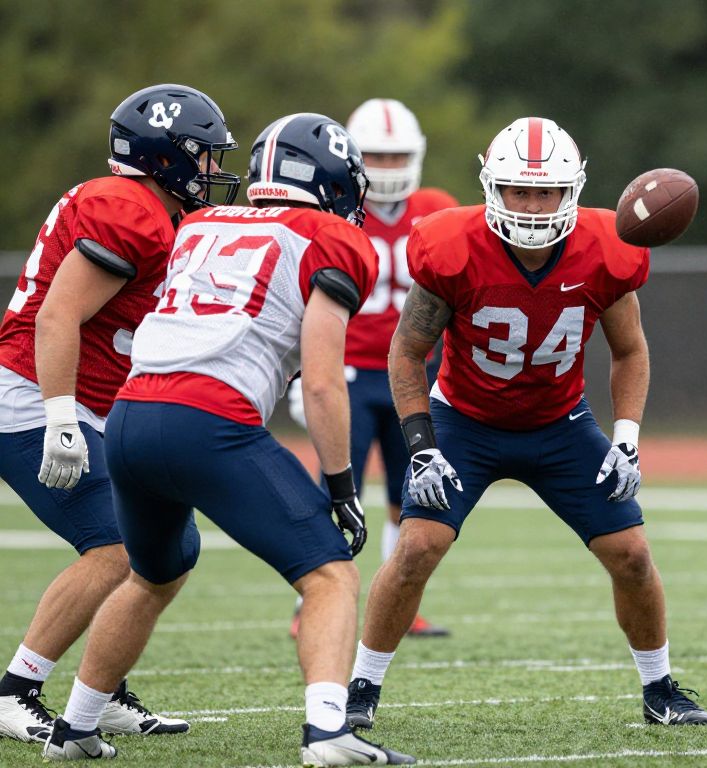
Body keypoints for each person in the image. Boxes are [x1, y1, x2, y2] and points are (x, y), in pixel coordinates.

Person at [41, 113, 416, 765]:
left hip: (129, 417)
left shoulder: (198, 224)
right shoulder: (334, 238)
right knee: (330, 574)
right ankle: (328, 732)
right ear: (329, 180)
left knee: (151, 578)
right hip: (210, 420)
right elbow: (325, 383)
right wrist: (341, 486)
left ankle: (74, 728)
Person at [345, 116, 707, 731]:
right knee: (415, 548)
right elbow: (407, 352)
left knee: (632, 555)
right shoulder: (452, 244)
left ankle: (660, 690)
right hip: (465, 420)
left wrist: (626, 439)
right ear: (493, 188)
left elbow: (631, 351)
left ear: (572, 191)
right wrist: (420, 447)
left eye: (546, 191)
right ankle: (361, 689)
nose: (534, 204)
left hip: (559, 422)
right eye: (520, 190)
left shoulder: (608, 245)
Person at [0, 83, 241, 745]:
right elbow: (56, 317)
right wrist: (58, 417)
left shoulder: (150, 211)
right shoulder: (128, 210)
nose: (215, 172)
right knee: (118, 548)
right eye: (206, 157)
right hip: (32, 393)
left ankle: (99, 690)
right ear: (168, 157)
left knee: (172, 551)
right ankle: (15, 689)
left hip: (93, 399)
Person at [288, 98, 458, 639]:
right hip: (351, 374)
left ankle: (401, 604)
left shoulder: (437, 207)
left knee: (412, 494)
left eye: (397, 156)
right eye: (376, 157)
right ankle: (308, 604)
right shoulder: (336, 210)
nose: (387, 168)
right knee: (338, 488)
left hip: (413, 374)